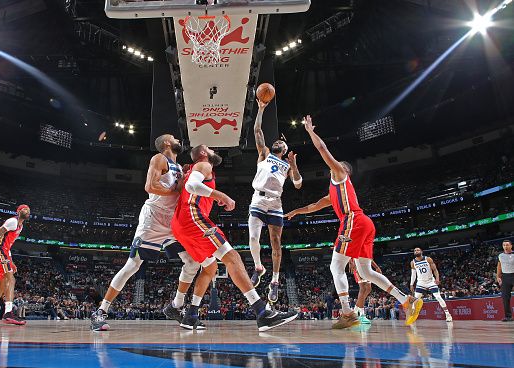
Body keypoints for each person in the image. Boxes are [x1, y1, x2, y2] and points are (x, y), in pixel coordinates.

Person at [285, 115, 422, 329]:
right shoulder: (334, 191)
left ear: (344, 169)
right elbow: (313, 206)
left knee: (335, 266)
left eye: (337, 164)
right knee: (366, 273)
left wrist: (310, 131)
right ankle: (407, 300)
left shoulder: (340, 174)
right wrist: (296, 211)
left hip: (353, 221)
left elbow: (322, 150)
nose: (333, 164)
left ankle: (348, 313)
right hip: (365, 223)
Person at [90, 134, 212, 331]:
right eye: (174, 138)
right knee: (133, 265)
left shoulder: (179, 167)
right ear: (166, 143)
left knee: (192, 262)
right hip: (153, 218)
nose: (178, 140)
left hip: (173, 222)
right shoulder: (159, 158)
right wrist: (176, 191)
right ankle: (101, 311)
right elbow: (150, 186)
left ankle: (176, 306)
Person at [171, 144, 298, 331]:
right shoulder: (204, 165)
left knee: (210, 268)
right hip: (192, 218)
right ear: (204, 153)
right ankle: (262, 312)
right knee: (232, 257)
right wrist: (221, 195)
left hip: (180, 225)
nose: (215, 151)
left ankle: (190, 315)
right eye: (210, 149)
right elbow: (191, 186)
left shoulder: (192, 169)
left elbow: (186, 184)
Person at [248, 99, 303, 303]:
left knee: (275, 242)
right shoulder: (265, 153)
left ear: (285, 147)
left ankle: (275, 281)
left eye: (281, 142)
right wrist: (261, 109)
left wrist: (294, 165)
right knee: (253, 238)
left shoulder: (287, 165)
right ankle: (258, 267)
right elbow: (257, 130)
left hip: (275, 202)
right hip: (258, 199)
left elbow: (297, 184)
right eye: (277, 141)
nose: (278, 142)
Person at [410, 248, 452, 322]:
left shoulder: (428, 259)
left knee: (438, 297)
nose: (416, 251)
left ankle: (448, 315)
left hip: (430, 281)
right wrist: (411, 284)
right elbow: (413, 275)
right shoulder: (413, 262)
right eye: (415, 251)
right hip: (421, 282)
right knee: (415, 299)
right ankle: (413, 315)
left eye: (418, 250)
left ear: (421, 251)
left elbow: (435, 270)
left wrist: (437, 278)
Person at [349, 258, 382, 324]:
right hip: (358, 265)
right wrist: (351, 262)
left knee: (368, 289)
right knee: (363, 288)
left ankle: (355, 310)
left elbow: (369, 257)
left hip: (366, 267)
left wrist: (376, 267)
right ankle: (361, 315)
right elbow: (350, 252)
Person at [496, 239, 514, 322]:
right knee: (505, 297)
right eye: (504, 245)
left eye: (507, 245)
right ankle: (508, 316)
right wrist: (498, 276)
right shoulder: (500, 256)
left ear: (511, 246)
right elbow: (499, 267)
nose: (505, 246)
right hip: (505, 277)